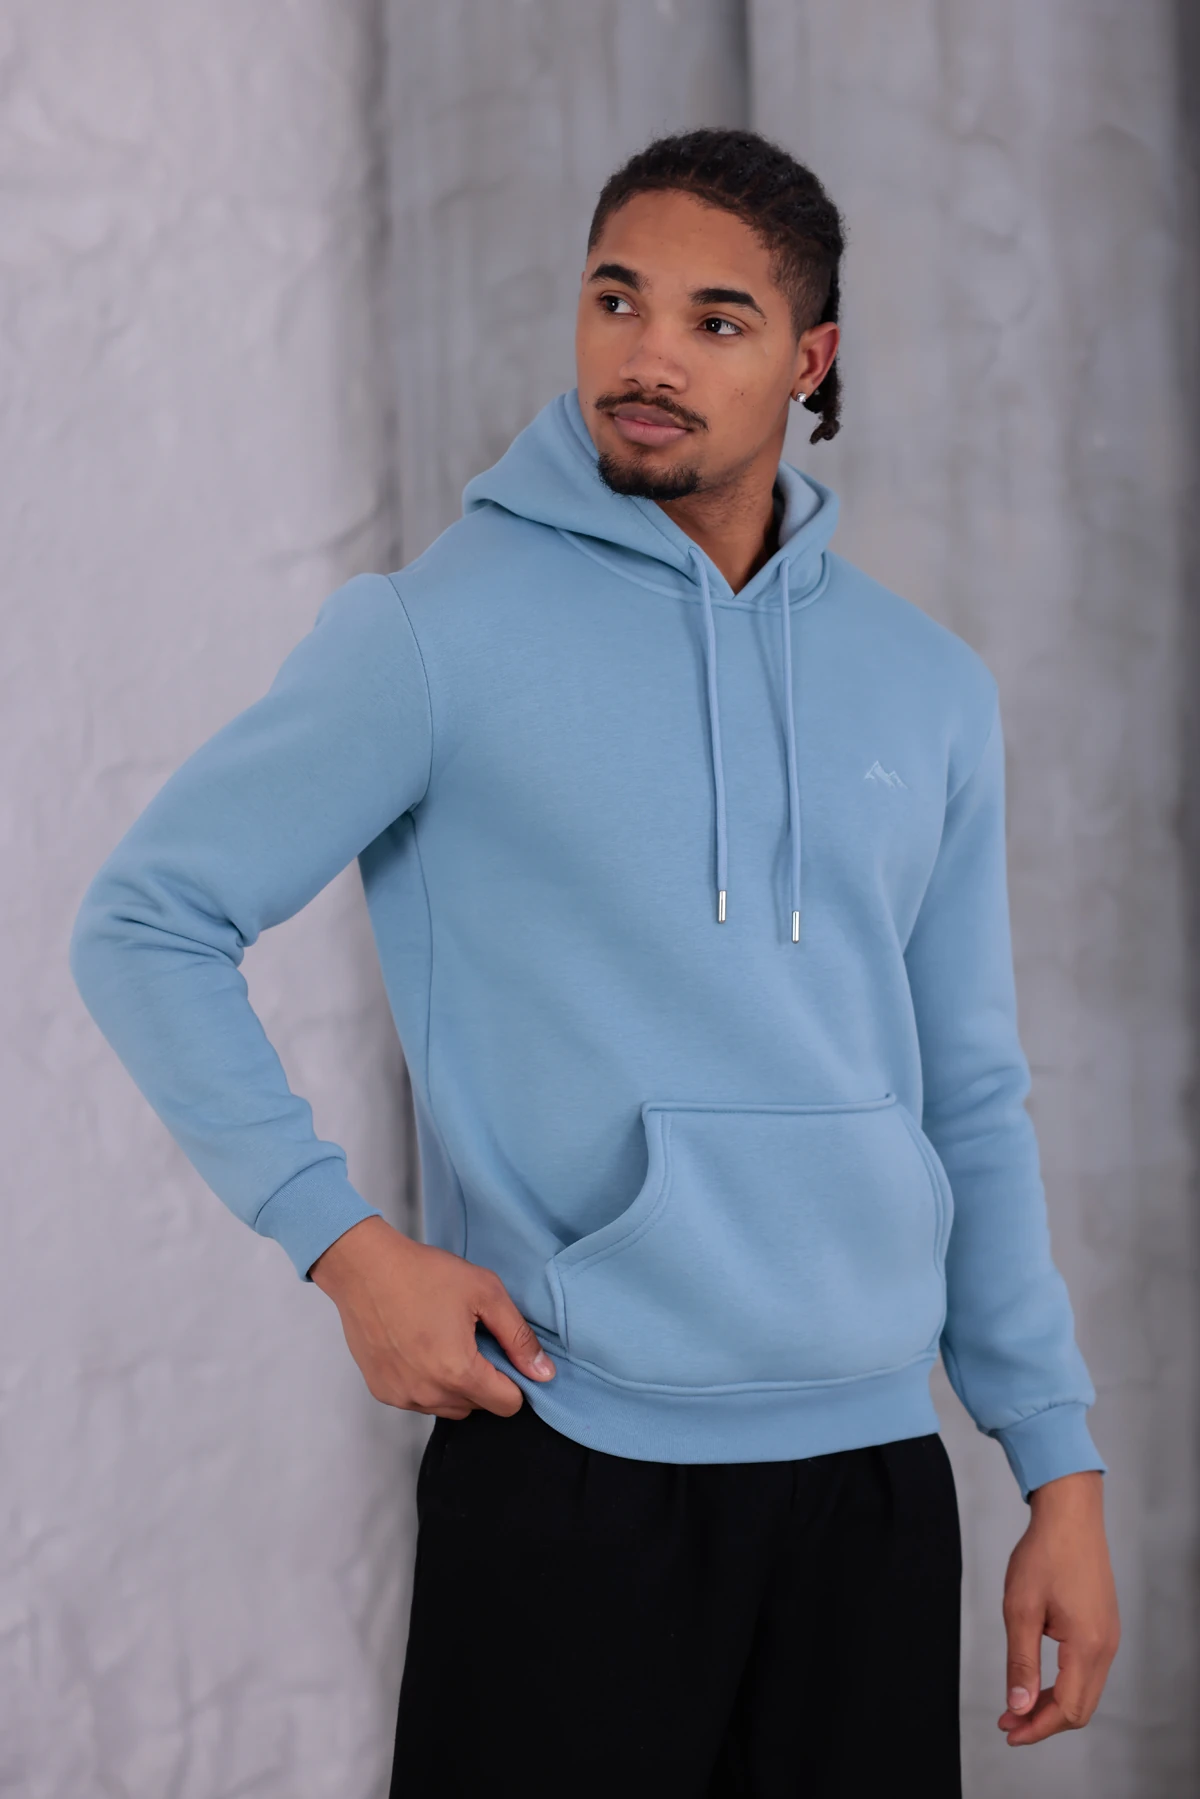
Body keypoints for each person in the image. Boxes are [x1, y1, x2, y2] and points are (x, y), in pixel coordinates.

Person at [69, 128, 1119, 1795]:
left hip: (871, 1474)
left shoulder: (927, 689)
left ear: (810, 361)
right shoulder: (435, 633)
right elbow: (148, 919)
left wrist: (1058, 1467)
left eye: (715, 320)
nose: (647, 355)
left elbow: (971, 1097)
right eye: (616, 299)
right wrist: (346, 1247)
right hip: (569, 1457)